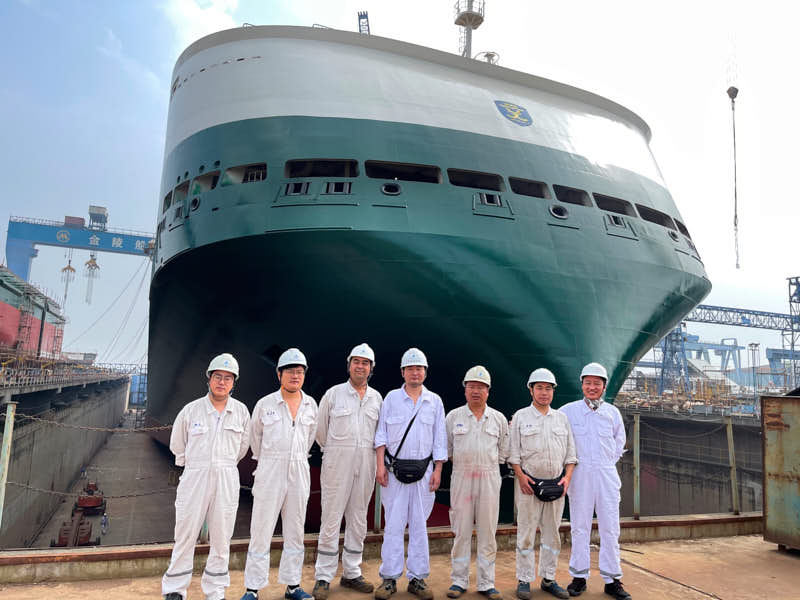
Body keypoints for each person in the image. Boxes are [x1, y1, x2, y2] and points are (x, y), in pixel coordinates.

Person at [162, 353, 251, 600]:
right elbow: (177, 444)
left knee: (222, 537)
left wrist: (223, 465)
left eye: (228, 378)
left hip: (226, 477)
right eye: (218, 377)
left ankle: (215, 589)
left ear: (234, 383)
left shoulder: (241, 412)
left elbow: (243, 447)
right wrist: (194, 466)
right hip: (195, 476)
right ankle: (175, 588)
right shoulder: (191, 410)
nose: (222, 382)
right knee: (185, 533)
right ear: (209, 379)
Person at [240, 348, 318, 600]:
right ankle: (252, 588)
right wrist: (272, 460)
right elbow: (255, 439)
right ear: (279, 374)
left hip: (299, 468)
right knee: (261, 528)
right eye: (290, 371)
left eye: (300, 371)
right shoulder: (265, 404)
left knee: (295, 529)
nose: (295, 376)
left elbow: (310, 438)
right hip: (270, 468)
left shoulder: (311, 405)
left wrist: (293, 457)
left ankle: (293, 585)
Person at [374, 348, 447, 600]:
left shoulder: (434, 401)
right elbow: (381, 435)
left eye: (419, 368)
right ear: (403, 372)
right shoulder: (391, 399)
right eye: (410, 368)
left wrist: (438, 470)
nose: (415, 372)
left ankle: (418, 578)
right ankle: (389, 578)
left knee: (419, 526)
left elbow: (440, 438)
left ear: (425, 372)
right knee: (393, 526)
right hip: (394, 471)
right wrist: (380, 466)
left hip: (424, 472)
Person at [313, 344, 383, 600]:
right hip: (337, 463)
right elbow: (320, 432)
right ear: (349, 365)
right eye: (356, 362)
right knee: (331, 518)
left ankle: (352, 572)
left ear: (371, 368)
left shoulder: (377, 399)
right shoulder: (333, 395)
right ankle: (323, 576)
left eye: (365, 363)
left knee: (358, 518)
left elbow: (380, 435)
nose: (360, 366)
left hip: (365, 464)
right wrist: (338, 452)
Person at [559, 363, 630, 600]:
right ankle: (579, 577)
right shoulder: (568, 411)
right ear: (582, 385)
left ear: (604, 386)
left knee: (611, 527)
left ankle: (612, 580)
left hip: (606, 473)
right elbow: (550, 424)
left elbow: (619, 442)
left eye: (596, 383)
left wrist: (605, 462)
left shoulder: (612, 413)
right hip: (580, 474)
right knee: (580, 527)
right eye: (588, 383)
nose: (592, 387)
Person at [508, 368, 577, 600]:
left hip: (556, 486)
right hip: (528, 486)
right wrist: (520, 476)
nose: (544, 392)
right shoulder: (520, 417)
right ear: (531, 390)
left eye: (548, 388)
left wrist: (567, 478)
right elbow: (513, 453)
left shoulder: (561, 419)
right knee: (526, 533)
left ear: (553, 391)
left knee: (552, 535)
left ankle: (549, 579)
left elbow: (571, 454)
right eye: (539, 388)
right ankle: (524, 579)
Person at [445, 366, 509, 600]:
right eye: (471, 386)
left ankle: (486, 582)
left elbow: (504, 452)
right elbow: (448, 450)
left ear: (488, 391)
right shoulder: (453, 417)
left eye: (481, 387)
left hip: (489, 477)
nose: (476, 391)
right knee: (461, 531)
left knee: (487, 532)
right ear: (465, 389)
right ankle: (458, 581)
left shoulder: (498, 419)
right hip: (462, 477)